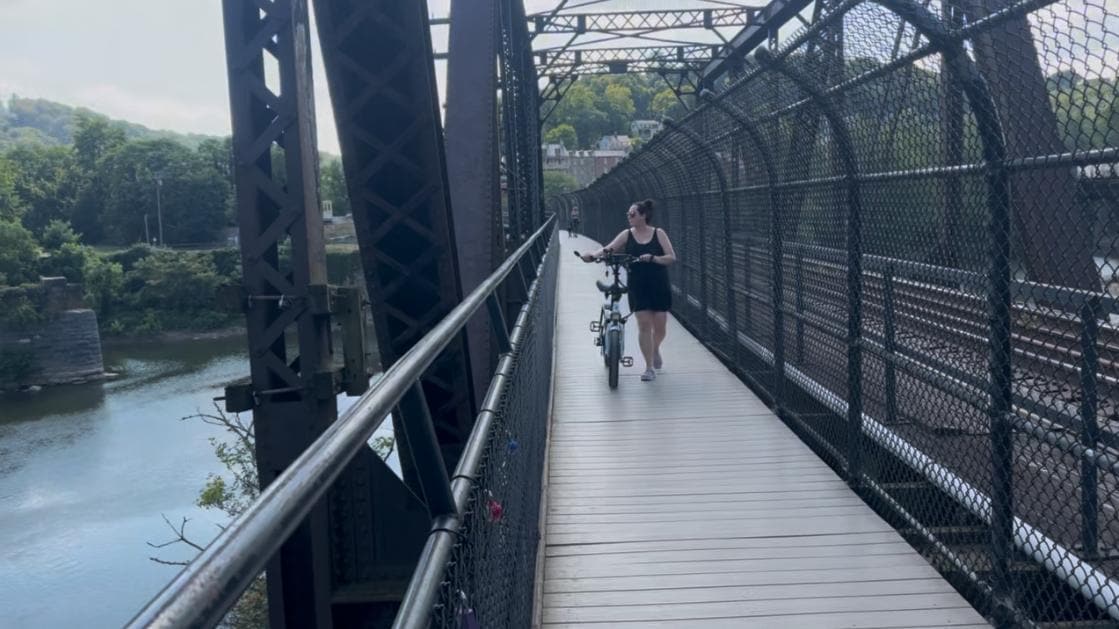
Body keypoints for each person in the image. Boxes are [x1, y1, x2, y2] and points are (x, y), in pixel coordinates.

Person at [581, 199, 676, 381]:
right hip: (637, 283)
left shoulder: (658, 233)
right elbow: (608, 249)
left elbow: (671, 257)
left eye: (632, 214)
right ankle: (649, 368)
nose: (629, 217)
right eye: (628, 214)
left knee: (660, 325)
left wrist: (654, 258)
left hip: (658, 283)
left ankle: (655, 347)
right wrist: (593, 255)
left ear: (643, 215)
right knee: (644, 324)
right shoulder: (627, 234)